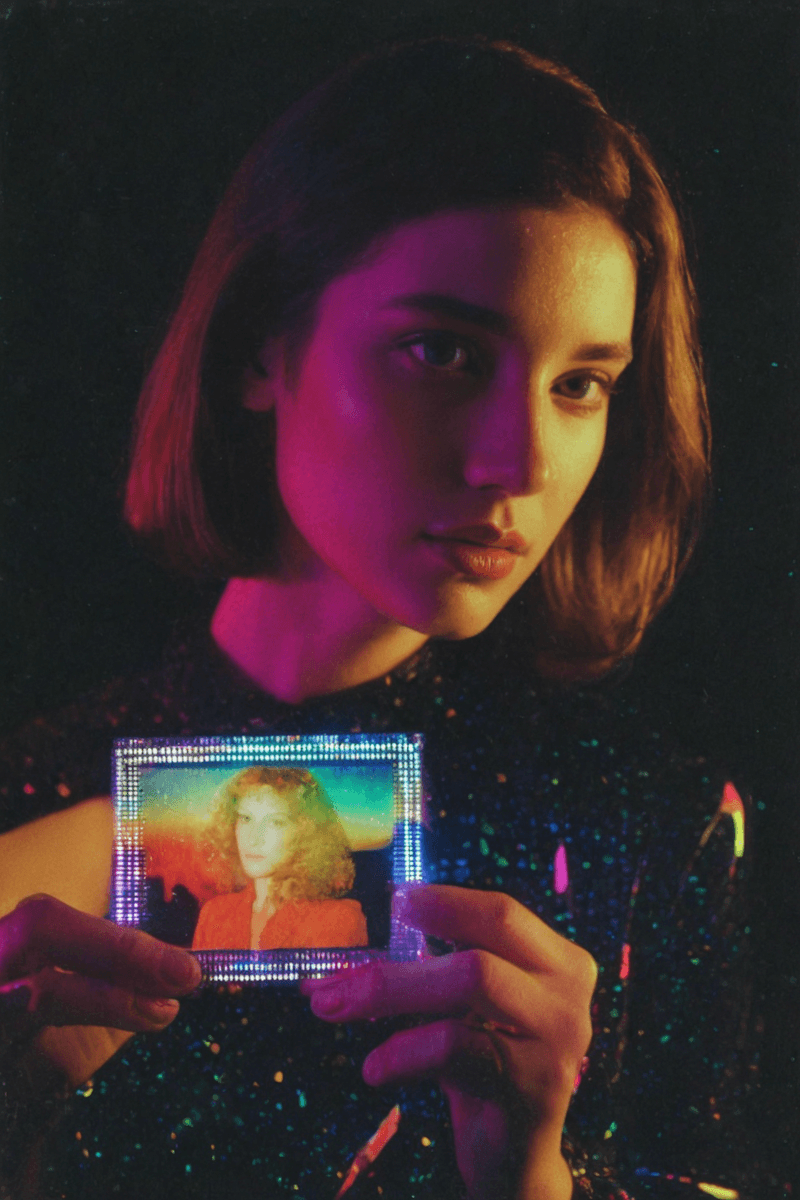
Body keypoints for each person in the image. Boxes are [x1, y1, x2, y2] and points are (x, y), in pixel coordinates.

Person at [0, 36, 770, 1200]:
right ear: (266, 345)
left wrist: (530, 1181)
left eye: (581, 383)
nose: (518, 462)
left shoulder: (655, 831)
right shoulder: (36, 793)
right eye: (442, 352)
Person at [190, 765, 368, 951]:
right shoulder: (214, 915)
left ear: (305, 832)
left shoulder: (337, 920)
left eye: (275, 822)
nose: (254, 838)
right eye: (246, 818)